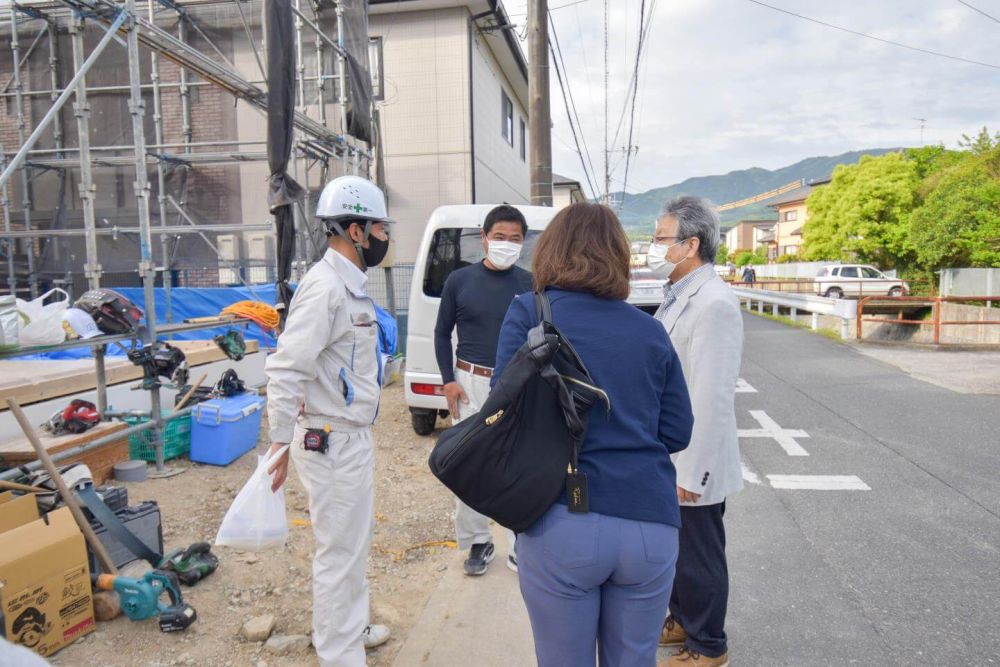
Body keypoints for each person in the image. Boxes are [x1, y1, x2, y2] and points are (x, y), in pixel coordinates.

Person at [492, 202, 694, 666]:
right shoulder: (650, 330)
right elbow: (677, 430)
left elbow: (502, 410)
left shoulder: (530, 313)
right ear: (617, 256)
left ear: (550, 252)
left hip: (561, 517)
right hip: (649, 522)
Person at [264, 175, 395, 666]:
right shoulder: (326, 288)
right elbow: (286, 366)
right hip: (331, 439)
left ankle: (350, 628)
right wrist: (278, 443)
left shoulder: (349, 284)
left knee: (352, 544)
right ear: (356, 231)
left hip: (349, 436)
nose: (386, 237)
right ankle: (340, 654)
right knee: (339, 553)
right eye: (381, 228)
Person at [647, 197, 744, 667]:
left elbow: (711, 395)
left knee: (700, 554)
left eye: (662, 238)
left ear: (691, 244)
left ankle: (709, 647)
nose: (654, 246)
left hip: (694, 459)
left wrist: (694, 470)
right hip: (673, 453)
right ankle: (683, 618)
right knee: (679, 551)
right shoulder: (679, 293)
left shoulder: (715, 304)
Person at [434, 204, 533, 575]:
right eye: (500, 237)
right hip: (469, 380)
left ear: (523, 243)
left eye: (515, 239)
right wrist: (448, 381)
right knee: (469, 461)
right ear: (484, 237)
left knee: (516, 462)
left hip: (516, 381)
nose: (507, 244)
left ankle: (518, 544)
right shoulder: (459, 281)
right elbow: (442, 333)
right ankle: (478, 541)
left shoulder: (530, 283)